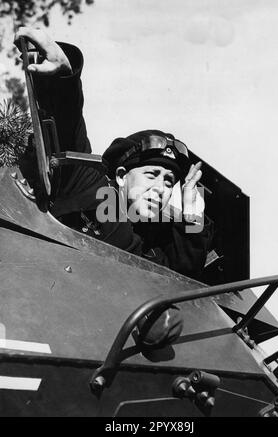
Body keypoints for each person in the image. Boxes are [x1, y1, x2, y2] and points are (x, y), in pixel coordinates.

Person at [14, 27, 213, 348]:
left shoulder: (143, 241)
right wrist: (64, 77)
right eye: (151, 175)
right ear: (121, 176)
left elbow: (175, 278)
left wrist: (193, 220)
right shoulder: (92, 188)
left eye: (169, 182)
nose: (161, 189)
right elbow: (66, 132)